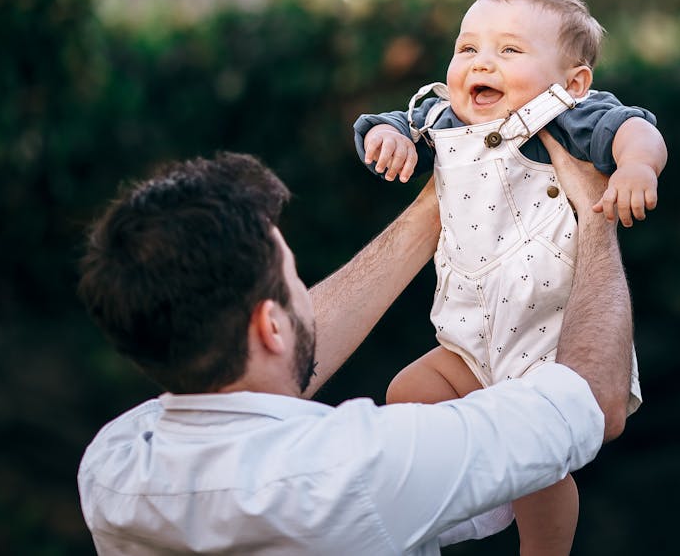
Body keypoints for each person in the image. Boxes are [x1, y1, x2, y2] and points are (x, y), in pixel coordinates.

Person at [75, 134, 635, 555]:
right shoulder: (364, 465)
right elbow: (591, 401)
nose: (308, 297)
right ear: (271, 326)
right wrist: (594, 220)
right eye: (295, 279)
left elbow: (255, 372)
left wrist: (435, 207)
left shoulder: (112, 467)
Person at [353, 0, 668, 555]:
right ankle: (477, 496)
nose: (481, 62)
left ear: (571, 82)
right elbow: (393, 121)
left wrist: (635, 167)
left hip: (547, 345)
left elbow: (637, 129)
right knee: (406, 395)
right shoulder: (442, 117)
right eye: (467, 46)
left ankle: (540, 546)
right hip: (469, 342)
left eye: (509, 50)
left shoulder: (570, 117)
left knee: (540, 468)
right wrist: (389, 138)